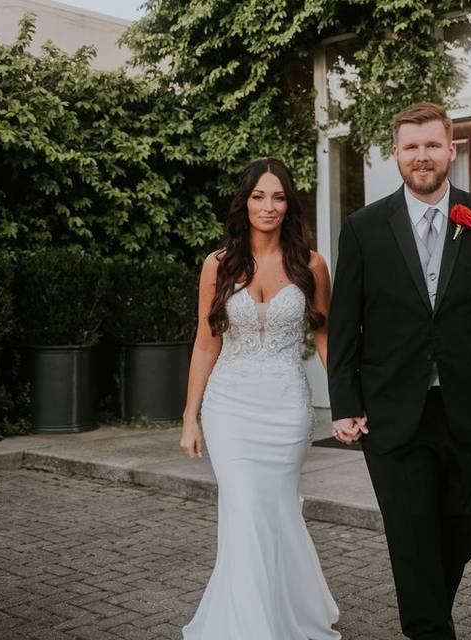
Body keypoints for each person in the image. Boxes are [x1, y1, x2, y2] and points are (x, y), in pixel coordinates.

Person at [327, 102, 471, 640]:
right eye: (411, 146)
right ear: (396, 154)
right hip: (394, 410)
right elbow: (345, 325)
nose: (422, 156)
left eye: (432, 145)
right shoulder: (364, 229)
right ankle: (429, 629)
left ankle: (428, 609)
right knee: (410, 534)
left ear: (452, 150)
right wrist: (345, 403)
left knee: (467, 519)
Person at [179, 158, 340, 640]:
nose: (268, 207)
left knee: (276, 511)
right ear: (244, 202)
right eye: (258, 197)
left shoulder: (311, 264)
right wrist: (191, 417)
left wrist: (349, 403)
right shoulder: (218, 264)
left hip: (288, 408)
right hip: (229, 408)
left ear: (289, 204)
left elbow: (326, 338)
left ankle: (290, 611)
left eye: (278, 197)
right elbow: (206, 342)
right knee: (245, 507)